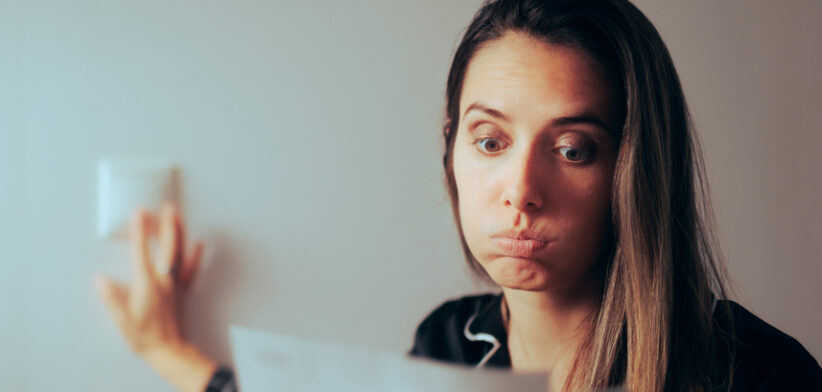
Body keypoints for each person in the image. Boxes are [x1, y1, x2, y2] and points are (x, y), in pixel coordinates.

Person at [94, 0, 822, 391]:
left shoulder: (757, 373)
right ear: (452, 148)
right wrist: (171, 354)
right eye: (490, 141)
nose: (522, 193)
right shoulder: (448, 345)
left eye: (573, 150)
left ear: (637, 169)